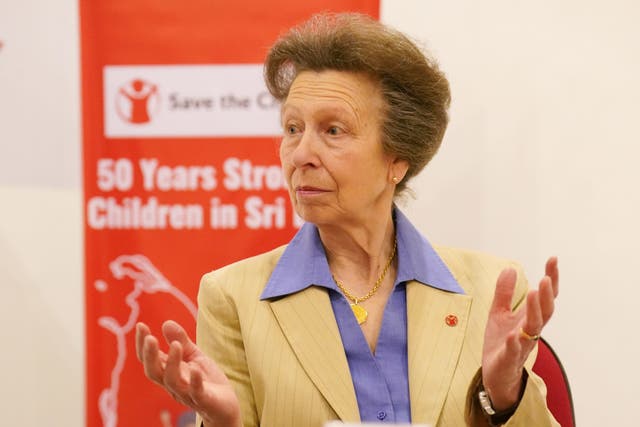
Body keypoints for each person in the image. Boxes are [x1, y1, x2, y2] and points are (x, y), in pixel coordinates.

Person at [136, 12, 560, 427]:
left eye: (333, 131)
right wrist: (223, 423)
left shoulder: (492, 290)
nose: (300, 155)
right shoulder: (232, 298)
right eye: (292, 129)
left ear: (397, 160)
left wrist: (504, 395)